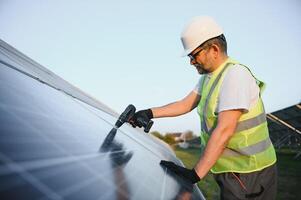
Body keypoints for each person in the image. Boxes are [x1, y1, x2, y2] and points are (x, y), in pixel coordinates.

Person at [129, 16, 277, 200]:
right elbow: (185, 104)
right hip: (234, 169)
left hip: (249, 171)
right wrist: (149, 113)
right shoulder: (209, 78)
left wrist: (195, 174)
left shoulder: (235, 75)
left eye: (194, 55)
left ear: (214, 50)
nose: (191, 61)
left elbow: (224, 130)